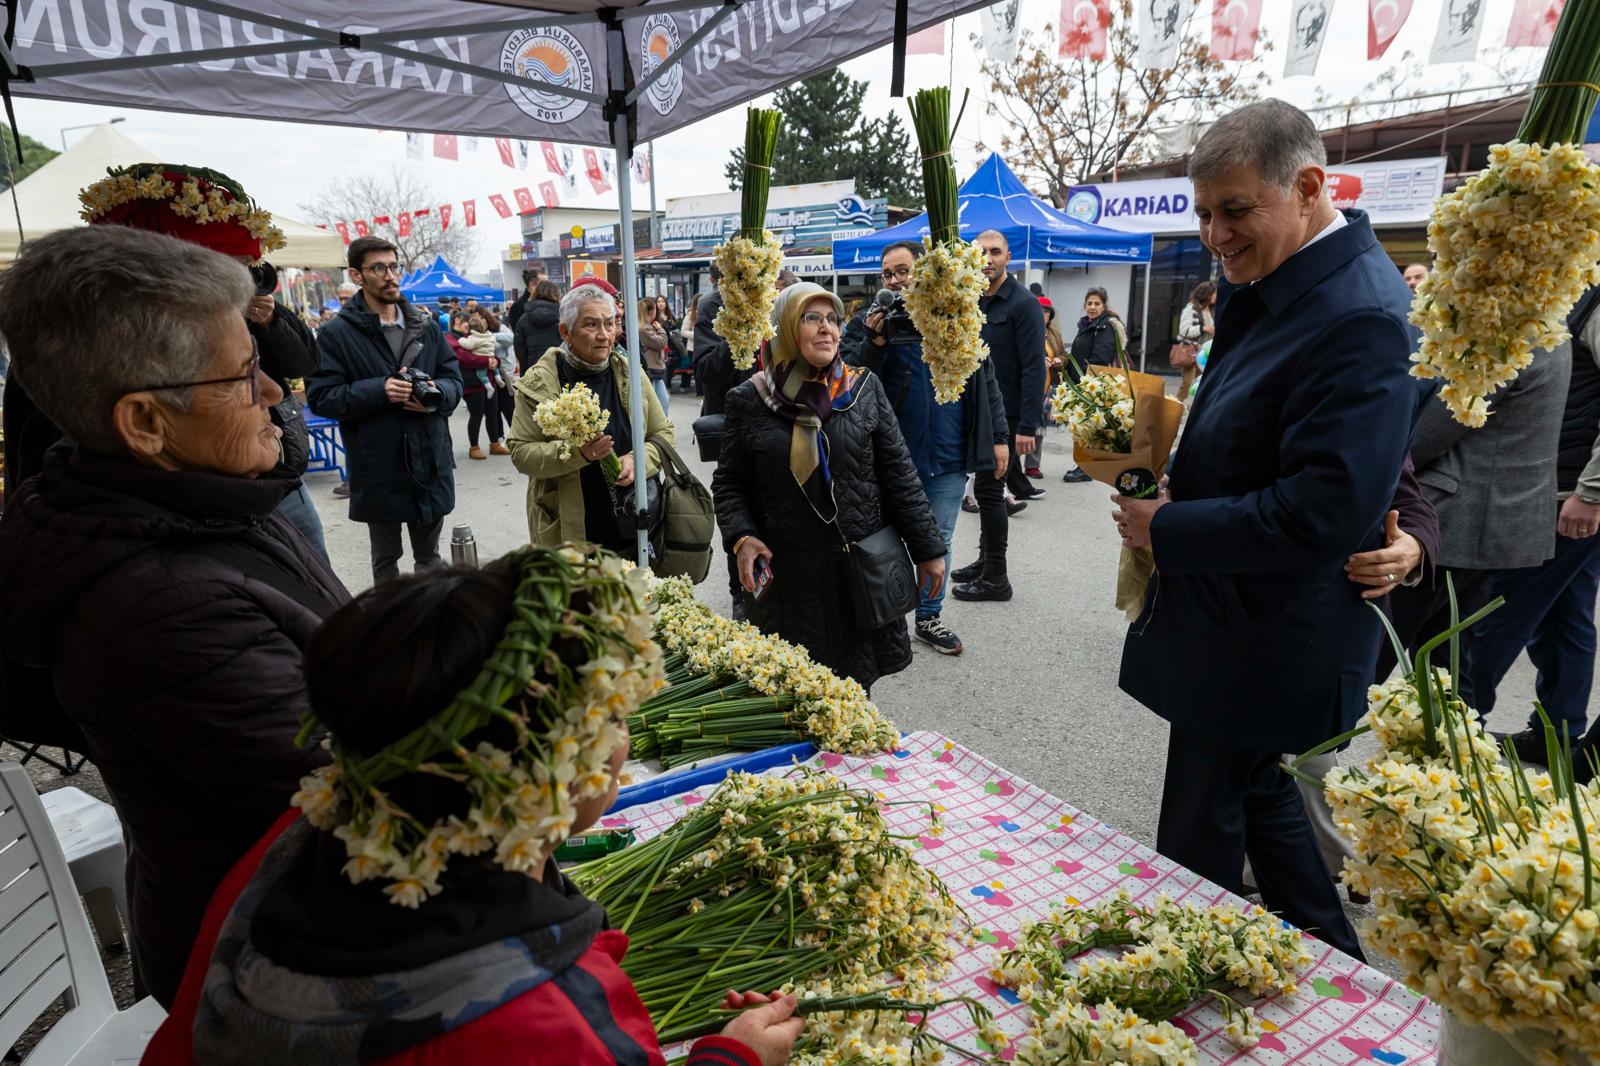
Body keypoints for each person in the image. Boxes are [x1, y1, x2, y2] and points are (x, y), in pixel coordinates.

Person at [141, 552, 804, 1066]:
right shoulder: (542, 1031)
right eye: (611, 715)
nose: (624, 741)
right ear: (543, 772)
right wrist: (731, 1056)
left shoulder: (296, 839)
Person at [0, 225, 348, 1007]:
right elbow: (363, 804)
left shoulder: (203, 497)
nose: (272, 392)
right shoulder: (159, 610)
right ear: (146, 423)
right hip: (272, 969)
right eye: (243, 374)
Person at [1111, 99, 1426, 962]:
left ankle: (1185, 989)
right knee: (1261, 799)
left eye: (1235, 210)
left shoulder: (1357, 313)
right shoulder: (1291, 283)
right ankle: (1346, 980)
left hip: (1262, 635)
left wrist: (1168, 528)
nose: (1215, 234)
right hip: (1242, 624)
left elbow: (1324, 507)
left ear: (1309, 187)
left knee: (1200, 835)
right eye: (1204, 214)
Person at [713, 282, 947, 690]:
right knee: (789, 693)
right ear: (786, 327)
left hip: (856, 574)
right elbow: (729, 483)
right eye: (811, 318)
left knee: (852, 694)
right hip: (788, 579)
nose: (827, 329)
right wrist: (742, 537)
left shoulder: (863, 388)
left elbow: (899, 474)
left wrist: (928, 549)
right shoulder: (748, 399)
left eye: (833, 319)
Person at [844, 241, 1011, 653]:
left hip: (947, 455)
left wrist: (999, 437)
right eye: (888, 273)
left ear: (925, 271)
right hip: (888, 457)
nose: (895, 280)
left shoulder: (956, 314)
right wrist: (874, 343)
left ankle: (929, 617)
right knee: (884, 541)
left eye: (903, 271)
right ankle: (887, 618)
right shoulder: (869, 321)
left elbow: (986, 380)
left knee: (939, 538)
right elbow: (847, 379)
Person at [1373, 340, 1569, 686]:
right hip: (1484, 520)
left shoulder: (1505, 334)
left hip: (1455, 518)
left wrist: (1376, 466)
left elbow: (1431, 431)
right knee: (1445, 670)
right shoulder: (1544, 326)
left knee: (1375, 651)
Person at [1471, 287, 1600, 774]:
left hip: (1568, 492)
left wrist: (1591, 493)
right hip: (1567, 488)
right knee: (1566, 616)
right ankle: (1557, 732)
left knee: (1497, 615)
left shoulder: (1595, 299)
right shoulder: (1578, 292)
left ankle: (1457, 729)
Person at [309, 236, 463, 585]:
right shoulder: (336, 334)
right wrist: (380, 389)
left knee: (430, 558)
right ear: (357, 275)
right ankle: (391, 616)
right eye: (379, 268)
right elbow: (322, 396)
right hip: (378, 464)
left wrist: (437, 395)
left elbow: (453, 379)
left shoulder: (425, 325)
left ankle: (434, 614)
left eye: (394, 266)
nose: (391, 276)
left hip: (429, 458)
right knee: (385, 559)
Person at [508, 285, 672, 554]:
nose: (604, 335)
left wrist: (636, 460)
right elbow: (521, 452)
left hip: (633, 524)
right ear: (565, 332)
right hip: (570, 529)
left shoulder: (631, 374)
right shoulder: (540, 384)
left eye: (609, 324)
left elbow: (662, 434)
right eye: (591, 325)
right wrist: (578, 453)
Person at [953, 229, 1045, 602]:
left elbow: (1035, 367)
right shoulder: (970, 298)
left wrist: (1028, 426)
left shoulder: (1024, 303)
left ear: (1008, 257)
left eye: (995, 252)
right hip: (979, 413)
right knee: (985, 489)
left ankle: (996, 577)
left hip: (1006, 417)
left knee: (990, 493)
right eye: (981, 253)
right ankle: (984, 561)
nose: (988, 259)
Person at [1059, 288, 1127, 485]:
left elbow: (1099, 360)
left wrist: (1085, 382)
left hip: (1092, 386)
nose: (1092, 307)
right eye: (1089, 303)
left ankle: (1086, 468)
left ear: (1104, 306)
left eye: (1097, 303)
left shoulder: (1104, 327)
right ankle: (1083, 465)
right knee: (1083, 427)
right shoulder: (1087, 325)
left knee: (1088, 427)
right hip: (1082, 383)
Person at [697, 263, 758, 418]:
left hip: (766, 413)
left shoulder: (768, 302)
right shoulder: (712, 305)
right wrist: (739, 334)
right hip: (728, 413)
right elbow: (706, 370)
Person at [449, 309, 509, 461]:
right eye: (467, 322)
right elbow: (464, 358)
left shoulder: (471, 336)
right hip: (472, 383)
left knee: (493, 413)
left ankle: (495, 443)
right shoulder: (451, 338)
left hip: (489, 381)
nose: (469, 326)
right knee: (476, 414)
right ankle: (474, 447)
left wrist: (495, 361)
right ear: (457, 321)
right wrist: (487, 361)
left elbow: (488, 351)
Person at [1175, 281, 1216, 403]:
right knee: (1187, 384)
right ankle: (1175, 406)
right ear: (1207, 294)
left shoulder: (1211, 310)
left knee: (1202, 384)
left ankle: (1198, 408)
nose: (1216, 296)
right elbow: (1184, 330)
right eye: (1214, 293)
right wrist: (1203, 328)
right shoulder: (1191, 309)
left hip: (1205, 353)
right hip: (1192, 351)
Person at [514, 279, 564, 371]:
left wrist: (525, 369)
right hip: (559, 368)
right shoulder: (562, 317)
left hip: (533, 369)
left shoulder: (524, 319)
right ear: (556, 294)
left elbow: (519, 348)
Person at [638, 297, 673, 414]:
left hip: (655, 368)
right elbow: (661, 343)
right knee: (659, 403)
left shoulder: (647, 326)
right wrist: (661, 330)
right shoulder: (644, 328)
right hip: (651, 369)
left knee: (663, 402)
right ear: (651, 311)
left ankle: (663, 423)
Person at [1401, 263, 1428, 348]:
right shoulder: (1400, 309)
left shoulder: (1439, 305)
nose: (1412, 282)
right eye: (1407, 279)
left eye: (1418, 277)